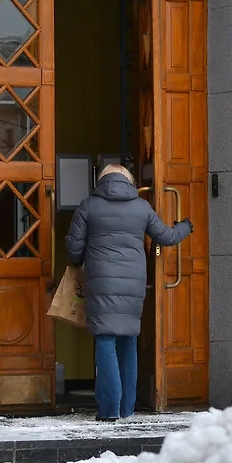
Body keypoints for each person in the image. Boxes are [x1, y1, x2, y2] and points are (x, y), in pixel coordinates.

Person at [64, 163, 192, 421]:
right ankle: (126, 409)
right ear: (129, 182)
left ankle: (110, 410)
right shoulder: (141, 207)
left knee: (105, 340)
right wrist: (185, 227)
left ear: (102, 180)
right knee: (128, 341)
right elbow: (166, 237)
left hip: (101, 284)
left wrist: (81, 260)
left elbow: (73, 249)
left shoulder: (89, 205)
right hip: (133, 285)